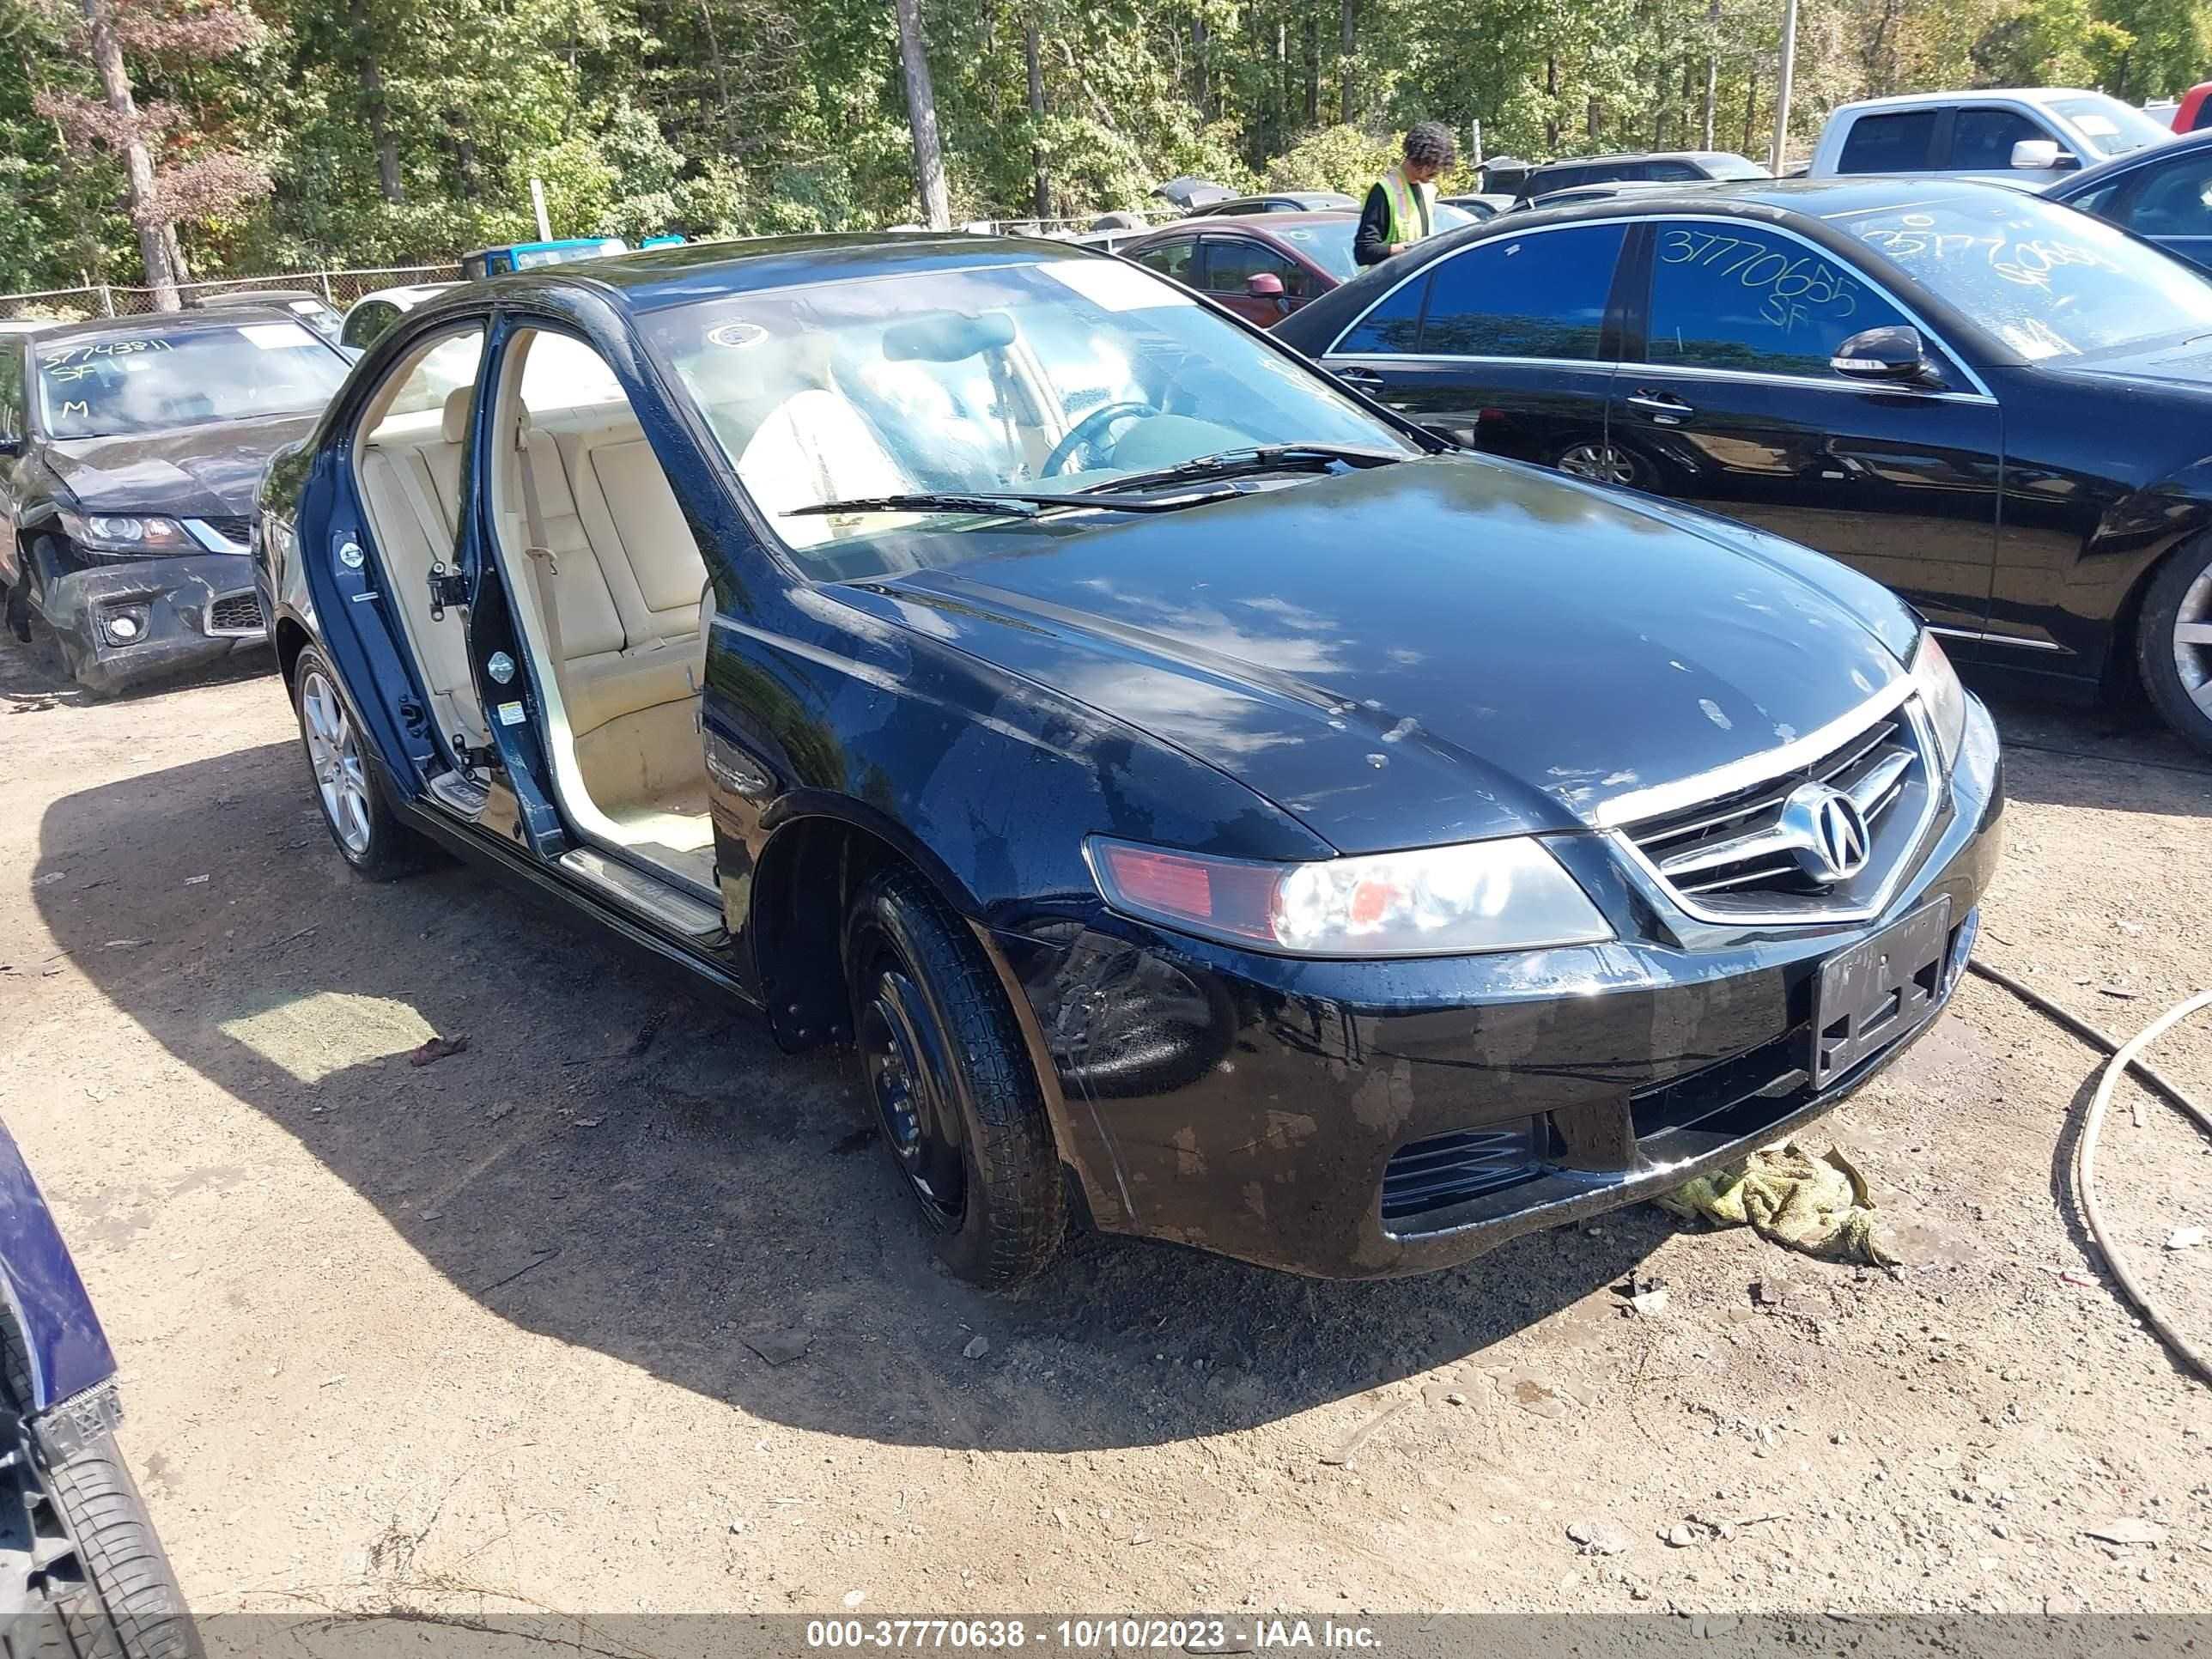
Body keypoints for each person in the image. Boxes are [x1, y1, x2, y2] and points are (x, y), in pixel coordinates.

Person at [1354, 123, 1457, 267]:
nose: (1437, 173)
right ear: (1420, 159)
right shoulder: (1383, 191)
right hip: (1389, 284)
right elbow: (1364, 252)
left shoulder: (1427, 190)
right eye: (1434, 167)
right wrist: (1413, 248)